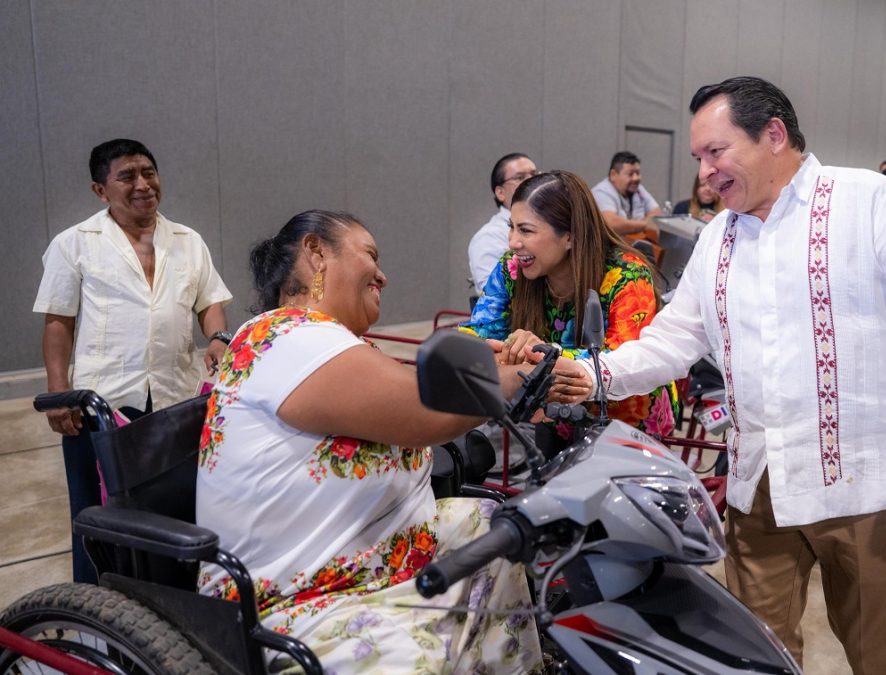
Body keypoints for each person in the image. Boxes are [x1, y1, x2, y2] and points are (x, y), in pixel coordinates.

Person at [555, 77, 886, 674]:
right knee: (754, 653)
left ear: (773, 135)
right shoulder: (719, 238)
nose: (704, 173)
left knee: (877, 652)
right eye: (700, 157)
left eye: (715, 152)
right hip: (759, 491)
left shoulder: (871, 204)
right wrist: (587, 375)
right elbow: (674, 339)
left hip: (866, 489)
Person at [196, 210, 541, 672]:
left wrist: (489, 365)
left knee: (495, 525)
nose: (383, 274)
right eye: (370, 255)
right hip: (301, 596)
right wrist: (527, 376)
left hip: (375, 563)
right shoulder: (284, 337)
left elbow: (418, 384)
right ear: (316, 252)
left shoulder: (333, 343)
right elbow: (426, 410)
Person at [33, 138, 232, 584]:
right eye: (127, 176)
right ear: (100, 190)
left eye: (149, 172)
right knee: (94, 511)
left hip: (173, 397)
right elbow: (58, 323)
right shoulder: (75, 244)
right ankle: (96, 602)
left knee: (174, 504)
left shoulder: (188, 240)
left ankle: (172, 591)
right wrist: (56, 393)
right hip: (99, 402)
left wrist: (217, 336)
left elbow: (210, 302)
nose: (143, 184)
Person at [461, 170, 679, 442]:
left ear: (570, 236)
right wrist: (493, 349)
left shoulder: (626, 276)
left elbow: (621, 361)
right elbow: (476, 332)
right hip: (555, 415)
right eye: (511, 227)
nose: (513, 242)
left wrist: (540, 354)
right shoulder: (512, 267)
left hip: (627, 422)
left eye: (526, 230)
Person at [468, 152, 538, 296]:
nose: (532, 181)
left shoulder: (549, 225)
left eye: (534, 174)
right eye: (520, 177)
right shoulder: (488, 237)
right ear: (500, 193)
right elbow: (492, 296)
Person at [591, 151, 663, 239]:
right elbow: (611, 223)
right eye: (630, 174)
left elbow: (656, 213)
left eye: (638, 173)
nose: (636, 178)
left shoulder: (638, 189)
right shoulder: (601, 192)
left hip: (632, 246)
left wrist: (628, 225)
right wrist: (644, 224)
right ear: (613, 175)